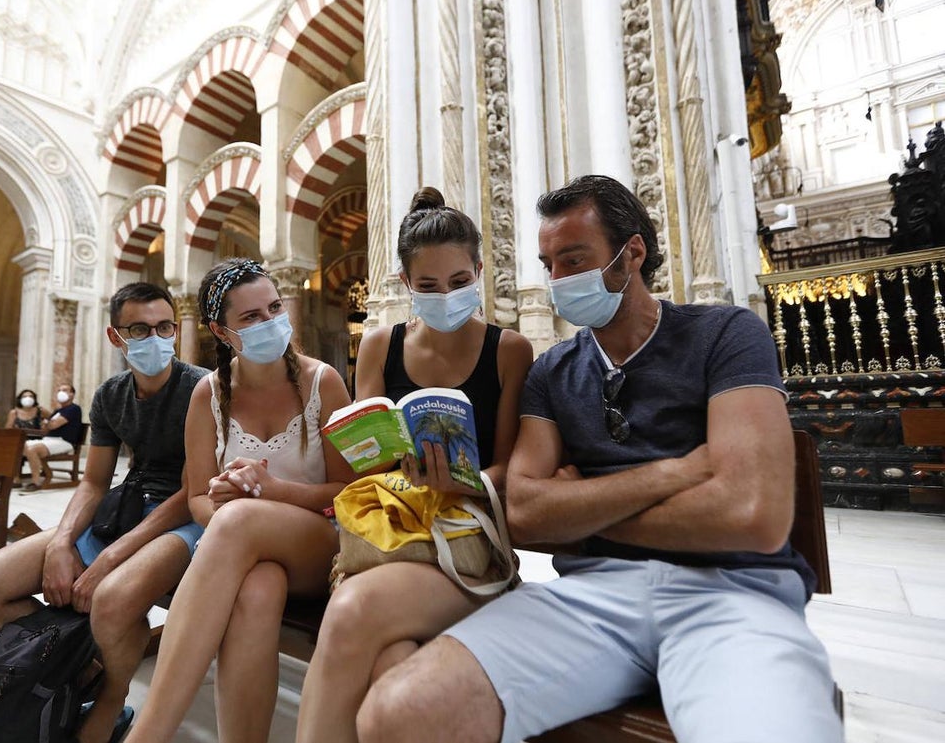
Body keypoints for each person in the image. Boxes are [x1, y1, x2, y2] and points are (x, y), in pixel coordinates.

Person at [355, 175, 843, 743]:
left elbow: (751, 517)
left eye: (574, 259)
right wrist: (677, 472)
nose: (559, 280)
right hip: (592, 597)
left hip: (733, 594)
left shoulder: (726, 334)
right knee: (397, 713)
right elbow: (528, 514)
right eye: (549, 265)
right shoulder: (553, 371)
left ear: (631, 252)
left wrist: (583, 506)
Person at [294, 187, 533, 743]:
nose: (444, 296)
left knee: (353, 612)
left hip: (469, 543)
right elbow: (364, 462)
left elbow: (508, 470)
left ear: (478, 272)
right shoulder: (379, 345)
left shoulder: (510, 350)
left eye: (457, 283)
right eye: (427, 286)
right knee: (391, 666)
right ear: (406, 284)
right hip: (388, 535)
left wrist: (464, 478)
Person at [0, 282, 209, 743]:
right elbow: (93, 482)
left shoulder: (200, 388)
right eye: (140, 329)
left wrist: (107, 561)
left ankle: (111, 703)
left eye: (165, 326)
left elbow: (190, 492)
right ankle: (75, 659)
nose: (156, 338)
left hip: (183, 515)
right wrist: (62, 542)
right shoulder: (111, 395)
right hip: (124, 508)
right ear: (116, 337)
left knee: (111, 603)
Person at [123, 258, 357, 743]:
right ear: (221, 330)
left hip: (321, 545)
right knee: (257, 590)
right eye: (250, 317)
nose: (270, 322)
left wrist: (267, 495)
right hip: (251, 552)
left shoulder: (322, 382)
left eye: (274, 308)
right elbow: (197, 499)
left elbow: (347, 494)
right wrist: (229, 508)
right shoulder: (208, 394)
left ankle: (146, 734)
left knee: (239, 519)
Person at [20, 383, 85, 491]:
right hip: (49, 440)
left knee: (32, 449)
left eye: (64, 390)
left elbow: (53, 425)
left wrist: (48, 421)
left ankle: (36, 482)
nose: (61, 392)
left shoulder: (74, 409)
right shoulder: (57, 411)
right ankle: (15, 479)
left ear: (72, 394)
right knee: (18, 445)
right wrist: (47, 422)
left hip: (64, 442)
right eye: (59, 390)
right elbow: (46, 428)